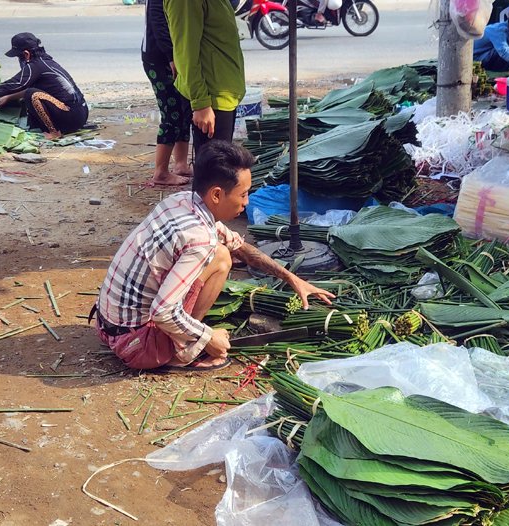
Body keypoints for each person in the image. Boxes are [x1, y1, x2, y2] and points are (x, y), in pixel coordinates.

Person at [94, 141, 335, 371]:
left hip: (108, 326)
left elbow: (239, 246)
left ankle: (180, 339)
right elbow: (162, 312)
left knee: (223, 250)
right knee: (220, 258)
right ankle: (182, 353)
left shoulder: (180, 202)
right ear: (217, 194)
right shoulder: (200, 238)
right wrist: (208, 337)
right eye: (243, 195)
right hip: (137, 346)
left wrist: (291, 278)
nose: (247, 203)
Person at [163, 0, 246, 156]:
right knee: (213, 171)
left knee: (220, 167)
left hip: (222, 92)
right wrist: (200, 103)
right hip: (209, 97)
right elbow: (185, 54)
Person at [0, 33, 87, 140]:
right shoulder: (45, 62)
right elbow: (32, 88)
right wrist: (8, 97)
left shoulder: (35, 65)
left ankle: (54, 132)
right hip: (80, 114)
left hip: (71, 116)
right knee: (31, 93)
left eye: (18, 57)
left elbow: (18, 83)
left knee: (32, 95)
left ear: (26, 54)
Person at [141, 0, 192, 186]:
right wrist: (171, 56)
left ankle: (181, 165)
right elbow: (158, 19)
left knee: (184, 109)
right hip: (159, 58)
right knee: (172, 113)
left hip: (172, 56)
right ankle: (161, 173)